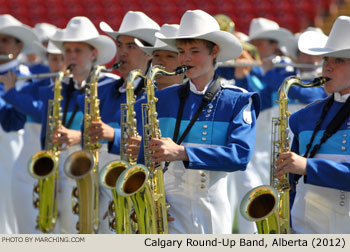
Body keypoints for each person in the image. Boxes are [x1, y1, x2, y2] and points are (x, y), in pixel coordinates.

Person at [110, 10, 260, 234]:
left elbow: (240, 155)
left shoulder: (238, 100)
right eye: (181, 51)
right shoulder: (160, 98)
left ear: (214, 52)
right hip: (164, 210)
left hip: (211, 213)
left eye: (194, 51)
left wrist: (183, 152)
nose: (186, 58)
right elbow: (145, 162)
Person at [275, 16, 350, 234]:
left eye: (339, 60)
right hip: (302, 224)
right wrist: (284, 219)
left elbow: (302, 166)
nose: (327, 66)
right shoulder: (304, 117)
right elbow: (291, 180)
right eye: (326, 59)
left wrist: (308, 166)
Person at [0, 37, 65, 234]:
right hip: (28, 171)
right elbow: (11, 122)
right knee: (30, 231)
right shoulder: (36, 86)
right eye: (53, 59)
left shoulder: (84, 88)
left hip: (65, 171)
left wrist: (12, 94)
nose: (58, 64)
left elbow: (44, 112)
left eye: (62, 58)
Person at [0, 14, 39, 234]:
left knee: (12, 212)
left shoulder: (27, 77)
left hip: (14, 153)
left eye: (6, 40)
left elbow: (14, 122)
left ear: (18, 46)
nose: (0, 45)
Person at [135, 23, 184, 90]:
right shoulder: (142, 98)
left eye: (169, 56)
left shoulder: (194, 98)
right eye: (156, 55)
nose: (160, 62)